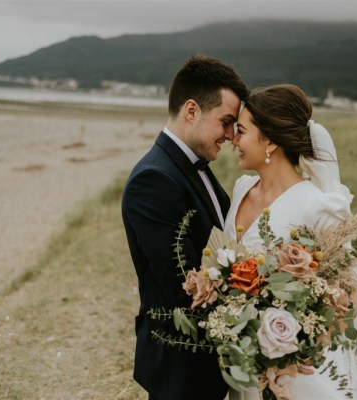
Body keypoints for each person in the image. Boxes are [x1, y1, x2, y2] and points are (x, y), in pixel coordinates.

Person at [225, 84, 357, 399]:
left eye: (241, 131)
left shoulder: (316, 205)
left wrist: (299, 347)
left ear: (268, 140)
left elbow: (346, 294)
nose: (234, 140)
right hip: (244, 355)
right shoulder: (241, 188)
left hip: (294, 368)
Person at [121, 54, 249, 400]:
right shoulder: (154, 179)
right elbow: (185, 285)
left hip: (206, 354)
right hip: (180, 361)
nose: (229, 135)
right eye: (225, 122)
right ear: (191, 111)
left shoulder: (197, 165)